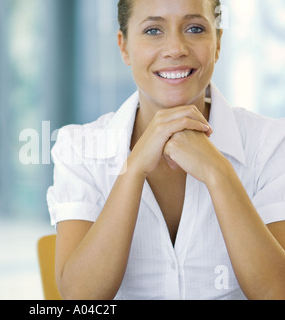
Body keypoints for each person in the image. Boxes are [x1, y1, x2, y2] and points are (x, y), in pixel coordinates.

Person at [47, 0, 285, 300]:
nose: (175, 48)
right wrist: (132, 170)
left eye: (195, 28)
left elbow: (277, 293)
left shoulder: (271, 142)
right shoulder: (79, 148)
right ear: (124, 47)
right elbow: (80, 299)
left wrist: (218, 172)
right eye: (153, 30)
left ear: (218, 43)